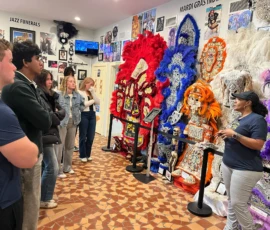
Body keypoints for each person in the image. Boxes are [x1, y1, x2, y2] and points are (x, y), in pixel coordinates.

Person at [1, 40, 52, 230]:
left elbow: (47, 111)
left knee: (30, 203)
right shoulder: (18, 87)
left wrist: (47, 112)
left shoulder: (29, 85)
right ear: (26, 62)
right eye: (37, 58)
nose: (41, 63)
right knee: (29, 206)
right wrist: (47, 113)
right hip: (25, 155)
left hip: (28, 151)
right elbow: (45, 120)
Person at [217, 91, 268, 230]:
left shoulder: (258, 120)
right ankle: (230, 227)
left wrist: (234, 135)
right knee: (232, 200)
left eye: (238, 99)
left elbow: (258, 144)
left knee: (238, 204)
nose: (234, 101)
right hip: (229, 165)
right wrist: (225, 134)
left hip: (245, 168)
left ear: (248, 102)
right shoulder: (239, 119)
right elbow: (236, 136)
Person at [34, 69, 65, 208]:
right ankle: (44, 198)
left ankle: (42, 196)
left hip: (49, 133)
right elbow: (46, 115)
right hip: (44, 133)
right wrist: (56, 116)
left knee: (47, 166)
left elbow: (62, 110)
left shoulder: (50, 95)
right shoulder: (39, 94)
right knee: (52, 167)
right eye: (47, 79)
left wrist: (55, 115)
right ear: (41, 80)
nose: (50, 82)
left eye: (51, 79)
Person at [56, 76, 84, 177]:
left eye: (74, 81)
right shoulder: (59, 94)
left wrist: (78, 111)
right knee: (59, 146)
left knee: (70, 146)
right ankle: (58, 170)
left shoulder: (78, 95)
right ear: (66, 83)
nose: (73, 83)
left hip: (73, 122)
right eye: (71, 81)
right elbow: (54, 106)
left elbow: (82, 105)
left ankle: (67, 167)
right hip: (63, 122)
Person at [78, 77, 100, 162]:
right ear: (85, 83)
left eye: (92, 85)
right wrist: (92, 101)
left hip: (92, 115)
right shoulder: (80, 92)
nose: (91, 86)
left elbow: (98, 102)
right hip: (84, 114)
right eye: (90, 84)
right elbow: (83, 105)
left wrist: (93, 93)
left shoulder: (91, 93)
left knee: (91, 136)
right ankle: (82, 155)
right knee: (83, 135)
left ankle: (88, 154)